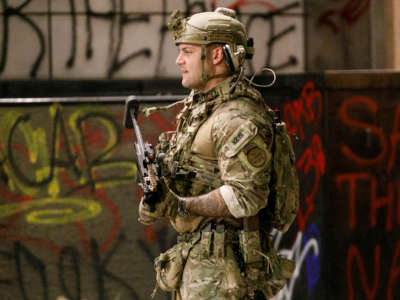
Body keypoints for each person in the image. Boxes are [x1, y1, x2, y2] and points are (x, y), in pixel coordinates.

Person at [138, 7, 297, 300]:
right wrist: (157, 196)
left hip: (224, 274)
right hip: (200, 267)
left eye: (187, 51)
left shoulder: (237, 118)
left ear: (216, 56)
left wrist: (181, 205)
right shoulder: (202, 110)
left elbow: (246, 196)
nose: (179, 60)